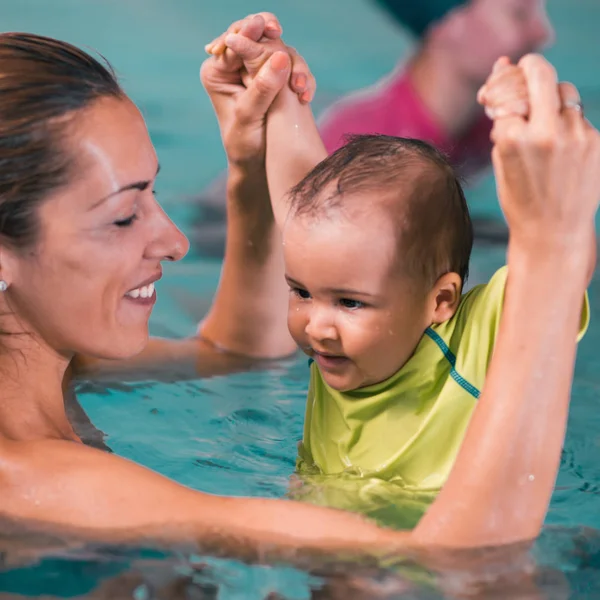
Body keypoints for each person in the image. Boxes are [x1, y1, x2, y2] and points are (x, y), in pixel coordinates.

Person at [0, 12, 596, 564]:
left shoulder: (59, 367)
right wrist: (554, 247)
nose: (177, 242)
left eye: (153, 193)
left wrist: (250, 166)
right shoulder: (34, 480)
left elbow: (235, 355)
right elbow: (454, 559)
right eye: (124, 216)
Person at [212, 25, 591, 507]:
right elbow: (301, 209)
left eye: (350, 302)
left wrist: (539, 124)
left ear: (441, 300)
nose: (316, 326)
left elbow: (558, 265)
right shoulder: (343, 337)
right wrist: (275, 81)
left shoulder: (477, 341)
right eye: (301, 292)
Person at [190, 0, 554, 257]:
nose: (544, 33)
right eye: (519, 13)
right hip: (226, 230)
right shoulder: (378, 140)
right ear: (448, 22)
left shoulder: (487, 122)